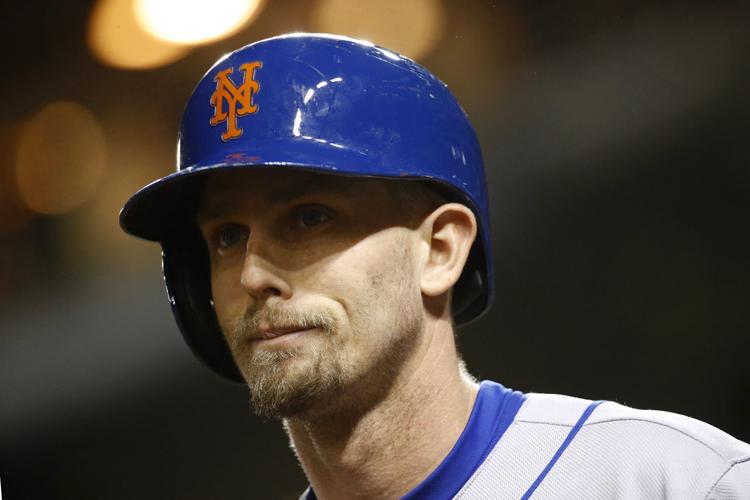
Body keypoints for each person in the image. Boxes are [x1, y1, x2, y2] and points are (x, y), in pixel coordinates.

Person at [120, 34, 750, 499]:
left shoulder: (661, 479)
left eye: (309, 218)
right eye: (228, 236)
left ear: (441, 249)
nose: (253, 274)